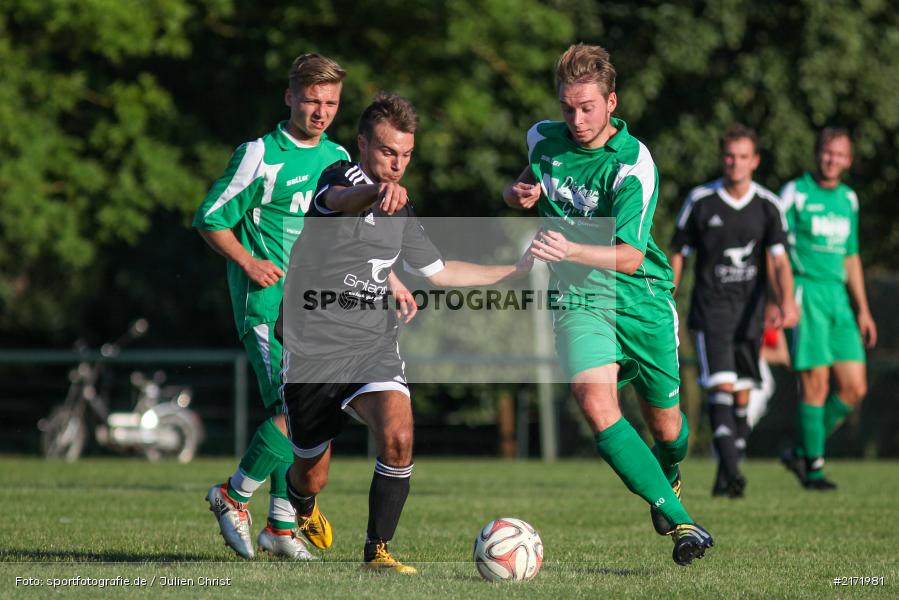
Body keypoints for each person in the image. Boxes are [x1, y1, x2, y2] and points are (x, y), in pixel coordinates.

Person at [277, 92, 533, 573]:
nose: (397, 165)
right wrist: (374, 192)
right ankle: (299, 503)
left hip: (371, 344)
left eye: (406, 155)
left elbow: (439, 272)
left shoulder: (403, 208)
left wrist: (513, 271)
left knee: (398, 434)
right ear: (363, 145)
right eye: (387, 153)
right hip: (312, 348)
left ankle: (377, 551)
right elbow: (340, 202)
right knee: (312, 475)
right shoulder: (339, 179)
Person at [194, 53, 413, 560]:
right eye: (312, 100)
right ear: (290, 96)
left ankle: (280, 526)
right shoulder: (259, 154)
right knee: (290, 414)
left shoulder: (338, 159)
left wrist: (395, 279)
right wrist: (249, 261)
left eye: (331, 102)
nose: (321, 111)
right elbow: (209, 217)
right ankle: (233, 494)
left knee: (307, 420)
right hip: (269, 306)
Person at [502, 43, 713, 565]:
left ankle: (669, 474)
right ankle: (683, 523)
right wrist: (518, 194)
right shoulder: (541, 139)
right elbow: (526, 185)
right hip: (579, 298)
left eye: (587, 108)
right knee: (594, 401)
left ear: (611, 102)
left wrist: (570, 247)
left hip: (639, 297)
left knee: (667, 426)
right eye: (567, 107)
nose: (575, 119)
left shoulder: (632, 164)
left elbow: (631, 254)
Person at [669, 124, 798, 497]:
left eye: (743, 157)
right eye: (729, 156)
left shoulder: (768, 206)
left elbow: (779, 262)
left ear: (754, 160)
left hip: (751, 314)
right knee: (721, 386)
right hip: (712, 311)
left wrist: (784, 301)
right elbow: (679, 251)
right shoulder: (701, 200)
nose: (735, 163)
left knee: (742, 394)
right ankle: (732, 472)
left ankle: (726, 474)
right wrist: (668, 293)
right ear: (721, 157)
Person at [779, 127, 877, 490]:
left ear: (849, 160)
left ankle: (799, 448)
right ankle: (814, 470)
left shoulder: (849, 199)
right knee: (815, 384)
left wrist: (863, 309)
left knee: (854, 388)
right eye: (827, 152)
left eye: (840, 154)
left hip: (839, 299)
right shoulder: (796, 192)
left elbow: (851, 257)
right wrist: (783, 297)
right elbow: (775, 247)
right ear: (816, 153)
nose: (832, 159)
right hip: (806, 293)